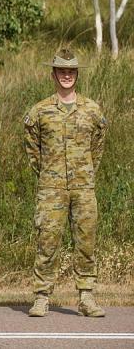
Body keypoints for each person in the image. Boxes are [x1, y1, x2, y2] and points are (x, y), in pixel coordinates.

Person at [24, 49, 107, 318]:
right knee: (46, 241)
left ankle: (86, 297)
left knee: (85, 242)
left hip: (84, 188)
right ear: (53, 74)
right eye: (61, 71)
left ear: (77, 75)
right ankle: (41, 297)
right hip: (51, 188)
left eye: (71, 71)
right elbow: (32, 150)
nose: (66, 75)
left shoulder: (92, 110)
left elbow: (98, 147)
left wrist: (85, 172)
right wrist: (50, 174)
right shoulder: (40, 111)